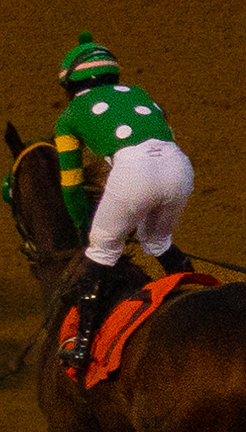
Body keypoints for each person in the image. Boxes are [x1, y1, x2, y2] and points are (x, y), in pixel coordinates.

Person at [47, 35, 194, 371]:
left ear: (70, 83)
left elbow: (70, 186)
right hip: (179, 167)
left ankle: (82, 347)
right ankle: (194, 296)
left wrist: (84, 226)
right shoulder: (140, 94)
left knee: (101, 251)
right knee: (157, 242)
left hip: (133, 171)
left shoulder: (69, 116)